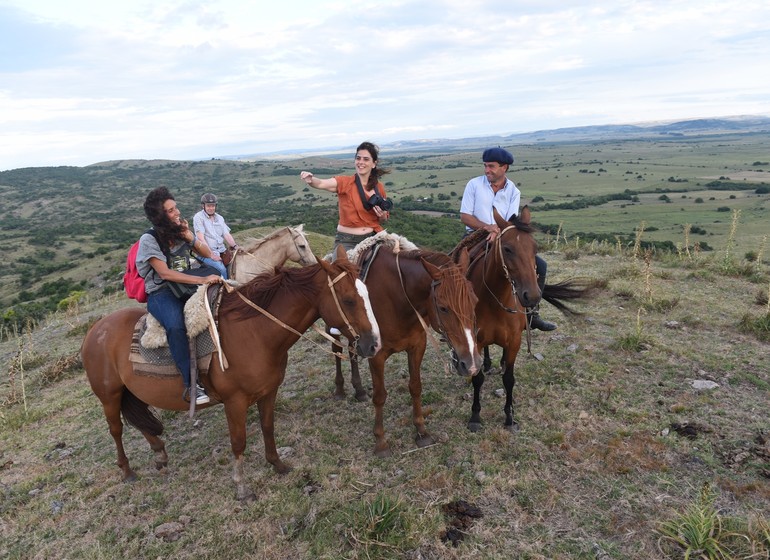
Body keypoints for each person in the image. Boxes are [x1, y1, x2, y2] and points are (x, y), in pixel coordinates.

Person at [136, 186, 223, 405]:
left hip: (186, 283)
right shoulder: (150, 239)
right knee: (175, 326)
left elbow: (206, 253)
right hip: (162, 291)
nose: (177, 212)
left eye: (176, 208)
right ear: (160, 215)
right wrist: (202, 280)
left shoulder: (179, 230)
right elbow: (165, 273)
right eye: (171, 210)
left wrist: (189, 237)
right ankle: (191, 385)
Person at [460, 147, 557, 331]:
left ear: (504, 167)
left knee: (540, 266)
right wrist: (487, 227)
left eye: (491, 166)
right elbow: (465, 216)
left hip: (503, 237)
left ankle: (532, 314)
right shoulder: (474, 184)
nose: (486, 170)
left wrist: (498, 232)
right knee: (458, 268)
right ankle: (459, 316)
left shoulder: (513, 190)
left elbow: (511, 222)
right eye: (485, 166)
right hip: (474, 236)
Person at [299, 141, 392, 254]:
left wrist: (382, 216)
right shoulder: (345, 182)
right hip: (347, 241)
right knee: (341, 271)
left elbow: (384, 219)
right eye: (358, 158)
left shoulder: (379, 187)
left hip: (374, 237)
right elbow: (322, 183)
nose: (361, 162)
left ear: (373, 164)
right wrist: (311, 180)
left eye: (366, 159)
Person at [193, 193, 239, 279]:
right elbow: (201, 238)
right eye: (208, 206)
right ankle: (226, 288)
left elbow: (227, 235)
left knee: (237, 264)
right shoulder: (198, 217)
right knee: (221, 269)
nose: (211, 208)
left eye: (213, 206)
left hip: (221, 250)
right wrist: (211, 254)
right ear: (203, 206)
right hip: (205, 253)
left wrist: (235, 246)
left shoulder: (220, 218)